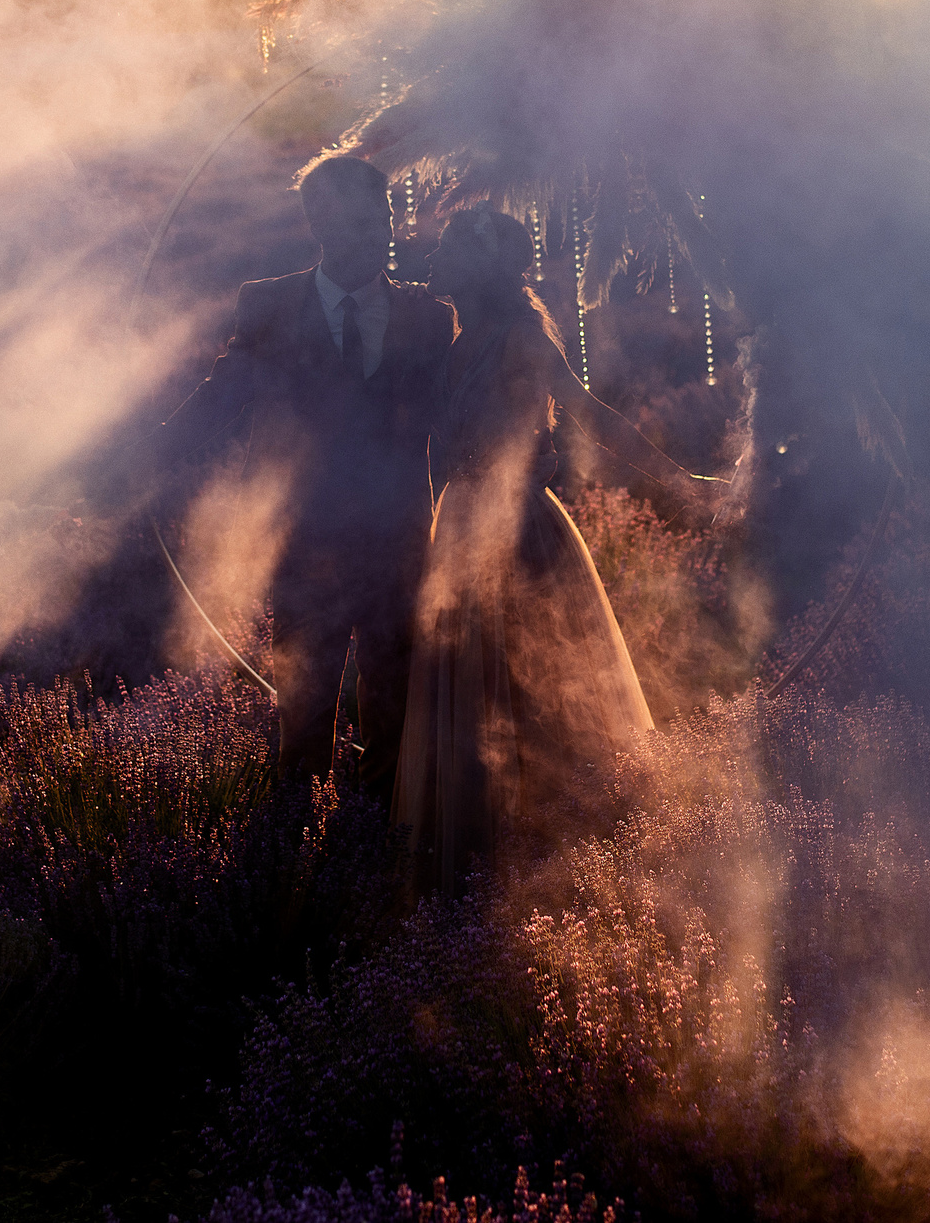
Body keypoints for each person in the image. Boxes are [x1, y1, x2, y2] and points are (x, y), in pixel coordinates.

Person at [397, 206, 718, 892]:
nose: (430, 258)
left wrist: (677, 478)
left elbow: (589, 415)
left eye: (448, 248)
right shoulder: (462, 341)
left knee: (532, 693)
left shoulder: (519, 338)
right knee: (474, 692)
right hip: (460, 532)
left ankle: (558, 854)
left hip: (516, 534)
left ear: (479, 265)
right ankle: (483, 860)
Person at [159, 155, 455, 797]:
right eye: (362, 216)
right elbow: (224, 396)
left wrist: (522, 449)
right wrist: (151, 454)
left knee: (396, 708)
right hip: (303, 540)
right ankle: (297, 858)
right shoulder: (265, 304)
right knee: (304, 710)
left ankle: (379, 857)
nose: (381, 230)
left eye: (383, 215)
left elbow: (455, 417)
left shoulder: (429, 318)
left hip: (398, 542)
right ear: (319, 220)